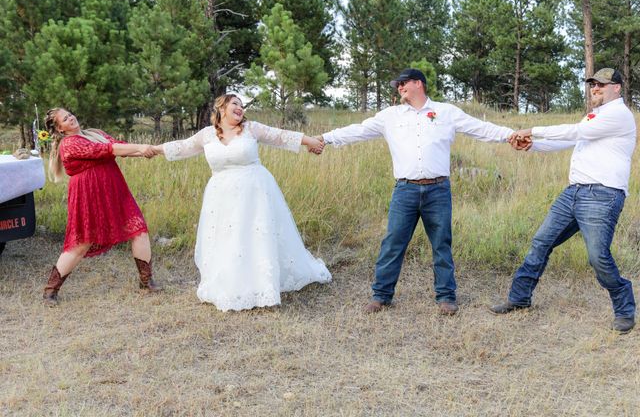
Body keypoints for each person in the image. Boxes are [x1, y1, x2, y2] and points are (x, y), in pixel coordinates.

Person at [317, 69, 515, 315]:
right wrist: (325, 138)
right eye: (397, 85)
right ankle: (381, 296)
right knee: (393, 243)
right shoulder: (390, 116)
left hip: (438, 189)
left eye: (403, 83)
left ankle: (446, 297)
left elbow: (481, 128)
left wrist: (511, 135)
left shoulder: (447, 112)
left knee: (442, 243)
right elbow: (357, 130)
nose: (399, 88)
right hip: (405, 190)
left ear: (418, 84)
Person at [150, 94, 331, 311]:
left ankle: (264, 287)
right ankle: (233, 285)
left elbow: (280, 136)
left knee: (256, 236)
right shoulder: (207, 135)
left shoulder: (251, 128)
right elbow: (182, 146)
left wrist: (311, 141)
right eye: (235, 103)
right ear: (222, 108)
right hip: (221, 196)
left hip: (254, 191)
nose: (240, 108)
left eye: (242, 105)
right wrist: (155, 150)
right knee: (228, 238)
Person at [491, 68, 636, 334]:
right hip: (574, 193)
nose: (595, 89)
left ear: (617, 88)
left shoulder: (618, 114)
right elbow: (573, 142)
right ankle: (519, 298)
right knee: (541, 242)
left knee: (598, 257)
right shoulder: (596, 115)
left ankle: (625, 310)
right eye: (593, 84)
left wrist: (531, 130)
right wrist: (532, 146)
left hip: (602, 195)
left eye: (602, 85)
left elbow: (573, 132)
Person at [42, 108, 161, 306]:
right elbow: (107, 150)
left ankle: (146, 281)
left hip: (113, 189)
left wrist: (146, 151)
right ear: (60, 129)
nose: (71, 117)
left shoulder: (94, 134)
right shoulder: (69, 144)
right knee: (81, 243)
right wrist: (142, 147)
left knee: (138, 229)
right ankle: (50, 290)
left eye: (70, 114)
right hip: (87, 196)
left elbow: (118, 146)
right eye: (65, 119)